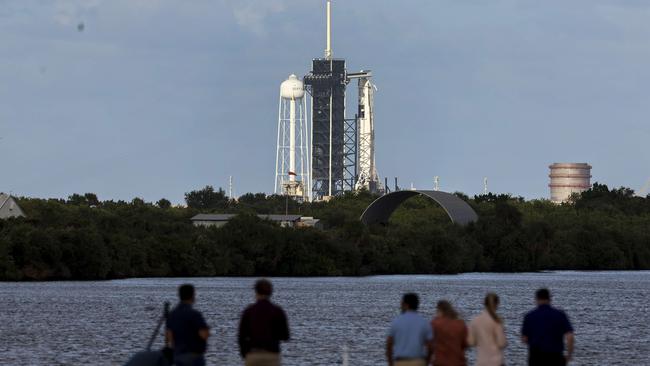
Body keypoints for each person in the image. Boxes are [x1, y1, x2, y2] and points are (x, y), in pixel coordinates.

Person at [238, 279, 290, 366]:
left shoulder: (249, 311)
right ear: (271, 292)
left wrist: (245, 354)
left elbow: (241, 336)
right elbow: (285, 336)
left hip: (253, 354)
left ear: (256, 292)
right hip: (272, 355)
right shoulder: (277, 311)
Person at [521, 288, 574, 366]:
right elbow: (570, 336)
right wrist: (569, 355)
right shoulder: (560, 315)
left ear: (536, 299)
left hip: (536, 357)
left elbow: (524, 339)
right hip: (556, 357)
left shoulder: (529, 316)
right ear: (550, 299)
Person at [165, 284, 210, 366]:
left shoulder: (172, 314)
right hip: (194, 356)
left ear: (179, 295)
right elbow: (204, 334)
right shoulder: (194, 314)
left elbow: (169, 335)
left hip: (178, 356)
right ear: (192, 296)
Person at [386, 293, 433, 366]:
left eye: (402, 303)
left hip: (401, 362)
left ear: (406, 304)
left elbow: (389, 345)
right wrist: (426, 361)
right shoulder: (424, 322)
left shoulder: (396, 321)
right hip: (418, 361)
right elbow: (430, 346)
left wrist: (390, 363)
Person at [467, 293, 507, 366]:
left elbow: (471, 342)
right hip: (496, 362)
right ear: (497, 304)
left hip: (482, 361)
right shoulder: (497, 321)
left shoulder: (475, 321)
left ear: (484, 304)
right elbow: (502, 343)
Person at [431, 300, 468, 366]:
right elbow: (465, 344)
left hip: (441, 362)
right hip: (458, 362)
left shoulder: (435, 323)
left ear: (440, 310)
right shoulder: (460, 324)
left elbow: (429, 344)